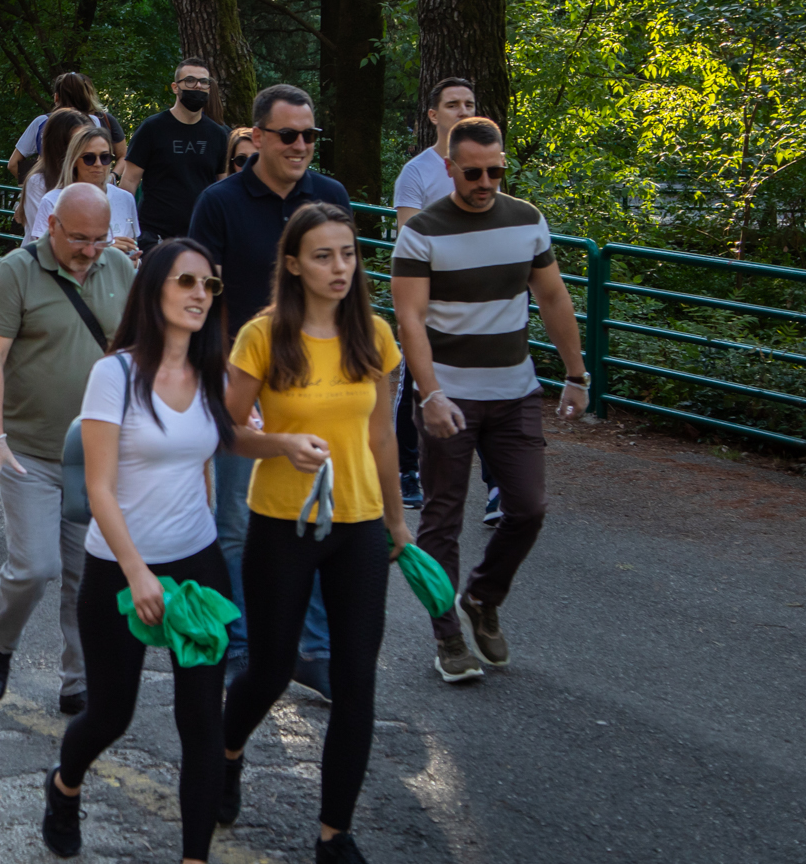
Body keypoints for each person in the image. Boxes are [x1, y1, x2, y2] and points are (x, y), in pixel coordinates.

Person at [217, 204, 409, 864]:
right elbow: (229, 430)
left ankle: (335, 833)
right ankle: (228, 748)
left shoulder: (374, 334)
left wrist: (395, 517)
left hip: (357, 526)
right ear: (293, 263)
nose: (339, 268)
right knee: (268, 669)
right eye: (324, 255)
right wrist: (280, 442)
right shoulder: (263, 336)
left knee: (356, 680)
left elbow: (382, 433)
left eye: (349, 254)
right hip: (281, 523)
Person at [42, 238, 237, 862]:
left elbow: (209, 457)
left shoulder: (215, 370)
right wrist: (138, 572)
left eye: (209, 286)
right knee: (111, 715)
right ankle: (65, 785)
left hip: (198, 565)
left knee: (204, 725)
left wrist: (287, 447)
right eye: (187, 282)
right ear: (154, 291)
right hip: (120, 566)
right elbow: (99, 487)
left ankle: (193, 857)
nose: (200, 295)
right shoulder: (115, 373)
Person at [392, 116, 587, 683]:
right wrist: (429, 394)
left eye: (496, 170)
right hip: (448, 396)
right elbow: (410, 320)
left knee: (527, 508)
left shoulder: (526, 220)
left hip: (514, 392)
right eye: (473, 172)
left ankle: (481, 598)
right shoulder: (423, 230)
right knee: (442, 517)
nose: (485, 181)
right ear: (449, 167)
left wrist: (576, 374)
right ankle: (446, 635)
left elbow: (551, 296)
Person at [188, 83, 351, 696]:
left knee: (314, 517)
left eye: (310, 135)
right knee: (233, 521)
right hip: (242, 382)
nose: (302, 145)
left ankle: (313, 649)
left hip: (317, 384)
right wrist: (230, 386)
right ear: (257, 137)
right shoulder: (220, 202)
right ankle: (241, 648)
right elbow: (203, 297)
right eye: (289, 135)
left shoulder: (329, 196)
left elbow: (343, 286)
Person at [0, 184, 135, 717]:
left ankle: (77, 680)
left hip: (95, 454)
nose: (90, 250)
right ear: (52, 224)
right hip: (27, 450)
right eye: (79, 238)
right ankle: (0, 640)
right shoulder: (15, 271)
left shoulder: (119, 270)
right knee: (35, 566)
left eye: (100, 239)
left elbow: (133, 353)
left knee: (86, 572)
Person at [390, 77, 483, 511]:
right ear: (433, 115)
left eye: (468, 103)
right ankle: (406, 468)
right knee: (416, 380)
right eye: (452, 105)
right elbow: (407, 236)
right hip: (430, 294)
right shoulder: (417, 172)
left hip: (478, 296)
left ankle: (497, 479)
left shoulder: (485, 162)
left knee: (485, 380)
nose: (462, 111)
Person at [117, 57, 230, 244]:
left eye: (204, 82)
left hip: (202, 237)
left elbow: (223, 185)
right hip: (156, 238)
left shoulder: (218, 135)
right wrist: (123, 229)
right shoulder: (152, 129)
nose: (198, 86)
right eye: (190, 81)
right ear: (175, 87)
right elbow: (129, 181)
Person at [31, 125, 141, 252]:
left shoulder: (125, 199)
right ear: (74, 160)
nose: (98, 164)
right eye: (89, 158)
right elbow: (44, 254)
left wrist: (134, 260)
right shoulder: (53, 201)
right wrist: (105, 250)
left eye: (105, 157)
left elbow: (133, 247)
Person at [8, 72, 125, 179]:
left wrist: (38, 183)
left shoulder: (42, 122)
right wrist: (111, 177)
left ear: (56, 97)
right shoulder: (94, 121)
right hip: (85, 192)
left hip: (51, 191)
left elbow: (13, 164)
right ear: (86, 95)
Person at [16, 109, 90, 240]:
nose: (82, 149)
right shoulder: (38, 182)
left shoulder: (88, 176)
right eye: (75, 143)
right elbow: (43, 239)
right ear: (58, 146)